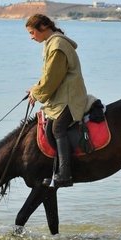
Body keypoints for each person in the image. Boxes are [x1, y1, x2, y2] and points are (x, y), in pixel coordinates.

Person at [26, 14, 88, 187]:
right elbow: (48, 76)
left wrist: (36, 94)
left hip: (70, 97)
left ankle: (65, 174)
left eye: (32, 33)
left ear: (44, 27)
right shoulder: (51, 43)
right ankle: (56, 170)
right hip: (62, 95)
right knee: (50, 128)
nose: (31, 37)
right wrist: (34, 89)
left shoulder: (57, 46)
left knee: (58, 128)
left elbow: (52, 79)